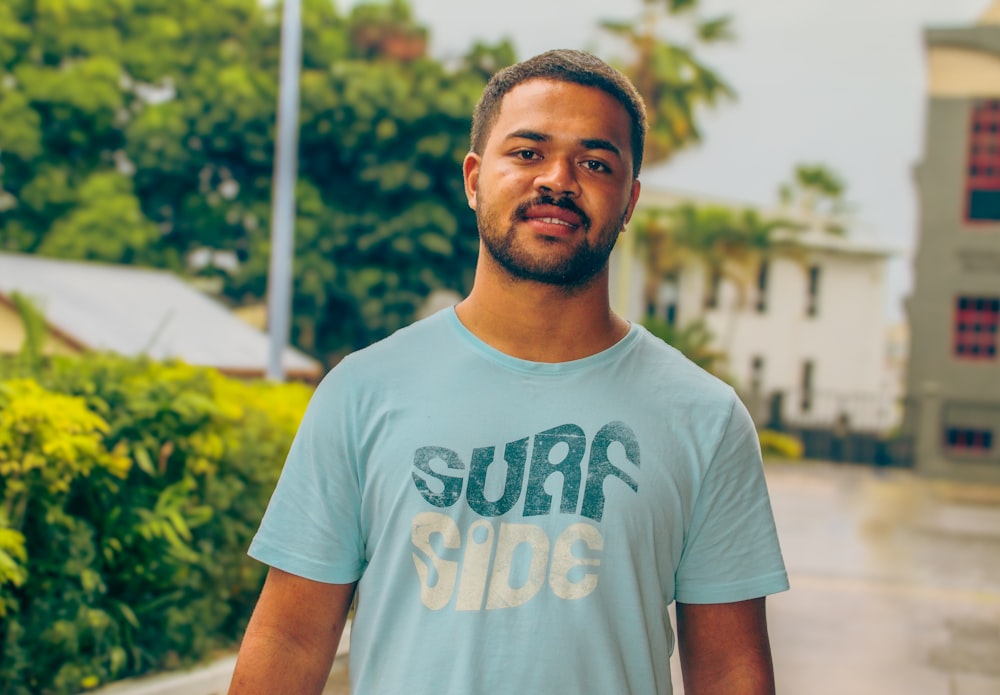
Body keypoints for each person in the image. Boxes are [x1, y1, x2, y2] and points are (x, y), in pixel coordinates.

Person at [229, 49, 788, 695]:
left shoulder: (705, 417)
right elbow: (290, 640)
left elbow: (729, 670)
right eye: (527, 153)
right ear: (473, 178)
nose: (558, 179)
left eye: (595, 162)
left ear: (629, 199)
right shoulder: (362, 391)